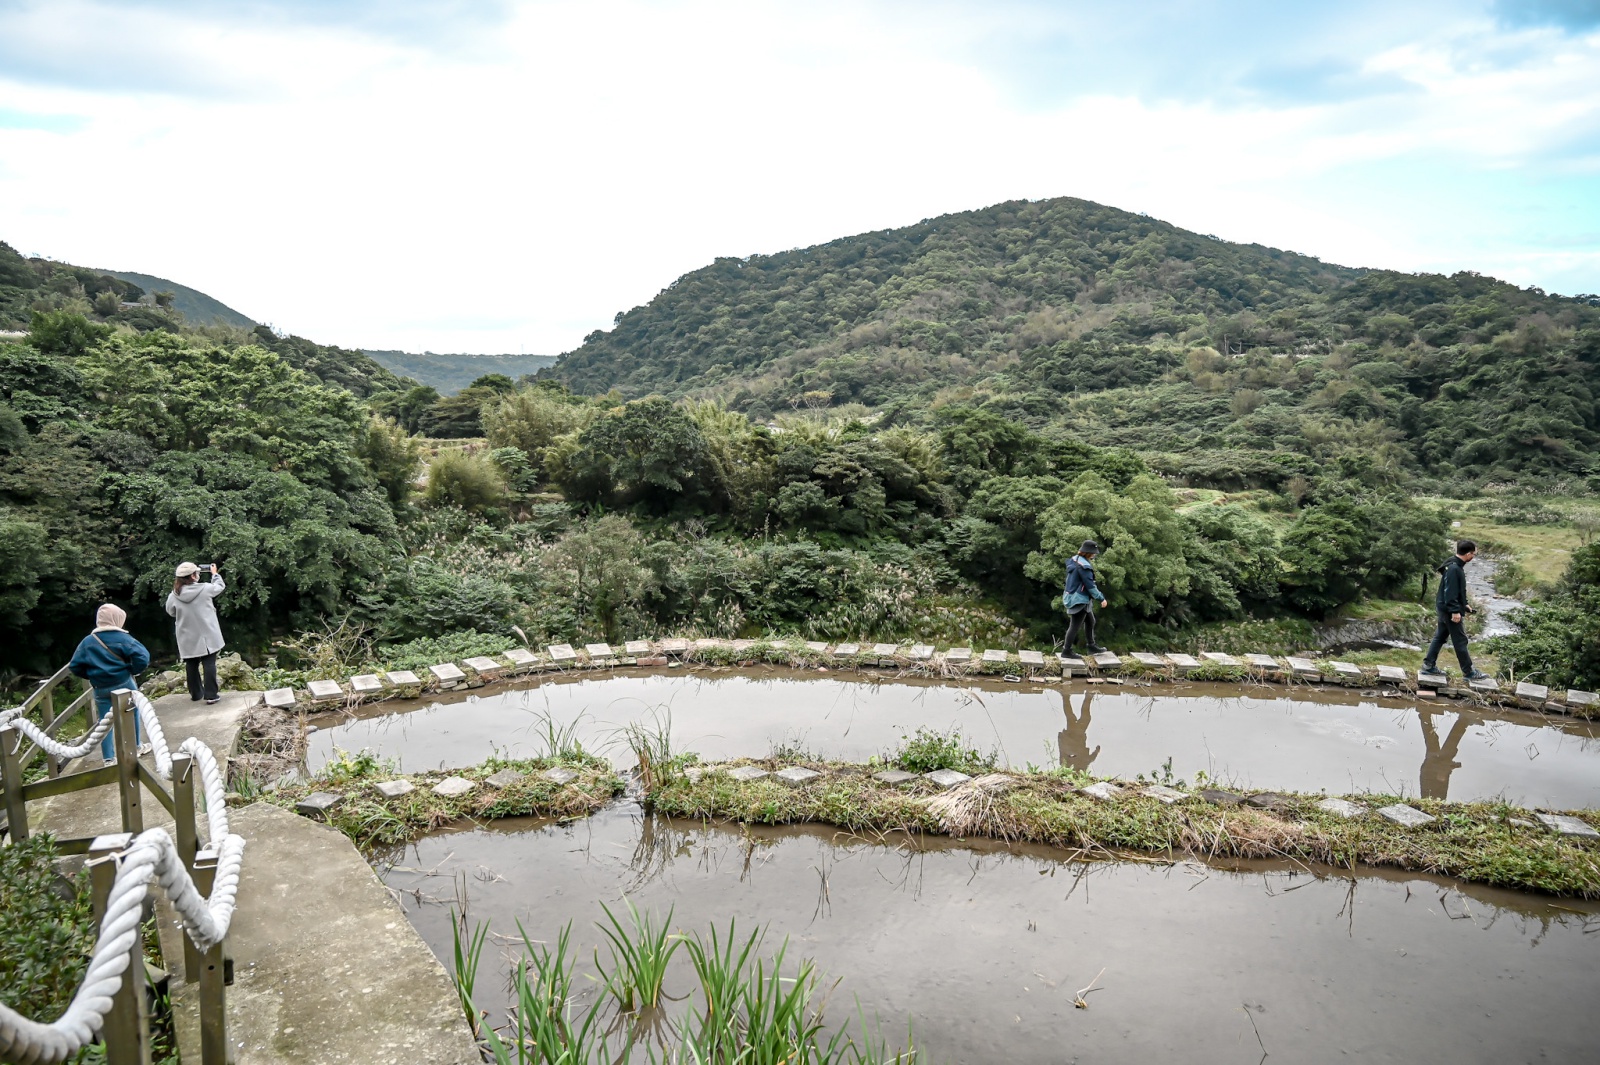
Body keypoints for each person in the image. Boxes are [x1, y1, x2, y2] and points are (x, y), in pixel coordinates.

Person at [67, 604, 150, 764]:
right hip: (124, 683)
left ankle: (109, 758)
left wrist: (92, 675)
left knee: (104, 723)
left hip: (100, 688)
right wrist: (132, 669)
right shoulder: (124, 638)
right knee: (132, 714)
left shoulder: (88, 641)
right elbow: (143, 657)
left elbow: (74, 666)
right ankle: (136, 747)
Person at [1420, 540, 1490, 682]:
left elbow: (1456, 590)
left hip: (1444, 607)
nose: (1474, 557)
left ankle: (1428, 665)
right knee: (1460, 640)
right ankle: (1469, 672)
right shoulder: (1454, 569)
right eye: (1474, 554)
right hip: (1449, 609)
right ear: (1468, 554)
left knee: (1440, 636)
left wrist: (1465, 605)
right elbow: (1450, 591)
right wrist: (1455, 611)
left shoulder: (1453, 564)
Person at [166, 561, 227, 704]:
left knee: (191, 664)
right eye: (197, 573)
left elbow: (171, 612)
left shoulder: (173, 595)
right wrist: (214, 574)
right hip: (207, 633)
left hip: (186, 635)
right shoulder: (205, 589)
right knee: (209, 662)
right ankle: (211, 695)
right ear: (193, 576)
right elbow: (220, 586)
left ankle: (196, 694)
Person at [1063, 539, 1109, 655]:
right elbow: (1091, 587)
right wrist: (1101, 599)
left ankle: (1091, 646)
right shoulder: (1085, 567)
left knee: (1091, 621)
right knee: (1074, 626)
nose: (1095, 554)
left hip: (1072, 595)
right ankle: (1066, 651)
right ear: (1088, 553)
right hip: (1079, 599)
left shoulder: (1075, 560)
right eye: (1094, 552)